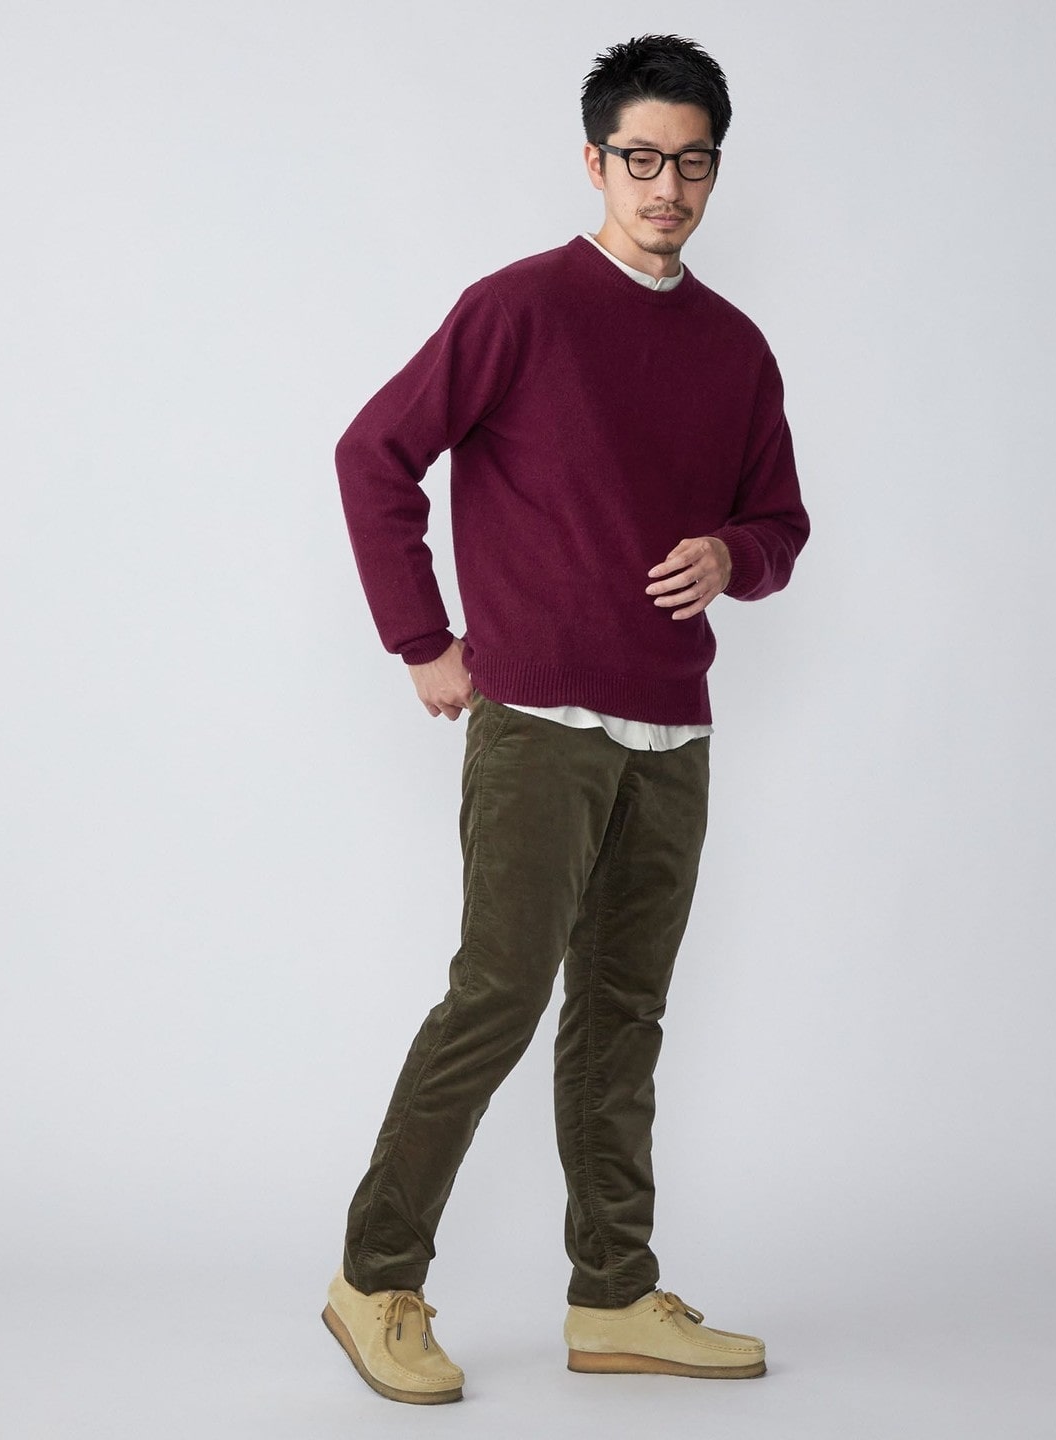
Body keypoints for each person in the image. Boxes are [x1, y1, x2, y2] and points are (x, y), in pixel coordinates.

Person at [323, 33, 810, 1406]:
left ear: (715, 172)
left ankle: (613, 1295)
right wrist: (421, 639)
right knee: (499, 995)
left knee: (622, 1014)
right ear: (594, 162)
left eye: (693, 163)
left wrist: (732, 555)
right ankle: (373, 1280)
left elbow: (781, 522)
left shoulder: (735, 347)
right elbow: (374, 454)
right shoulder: (520, 307)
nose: (667, 188)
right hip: (538, 720)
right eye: (641, 159)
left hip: (673, 730)